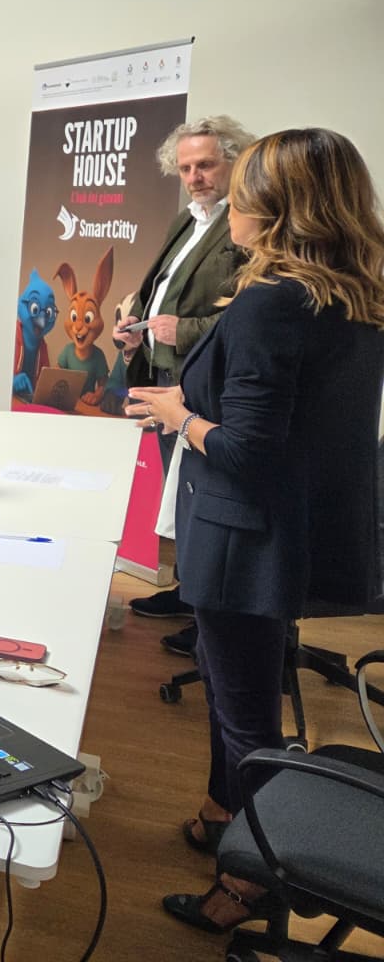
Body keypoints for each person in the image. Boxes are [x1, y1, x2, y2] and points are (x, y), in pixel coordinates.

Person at [120, 129, 384, 937]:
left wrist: (179, 414)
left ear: (272, 210)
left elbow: (245, 449)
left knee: (245, 716)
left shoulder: (273, 302)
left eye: (238, 195)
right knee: (238, 687)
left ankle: (252, 880)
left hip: (242, 538)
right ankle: (218, 810)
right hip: (297, 531)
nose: (225, 207)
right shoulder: (356, 296)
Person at [113, 115, 256, 632]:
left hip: (207, 385)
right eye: (185, 168)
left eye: (206, 165)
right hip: (166, 378)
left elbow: (251, 313)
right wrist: (135, 326)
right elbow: (160, 290)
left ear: (234, 162)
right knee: (182, 497)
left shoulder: (248, 222)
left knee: (205, 500)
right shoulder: (186, 220)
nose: (195, 177)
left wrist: (185, 330)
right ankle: (187, 591)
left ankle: (207, 613)